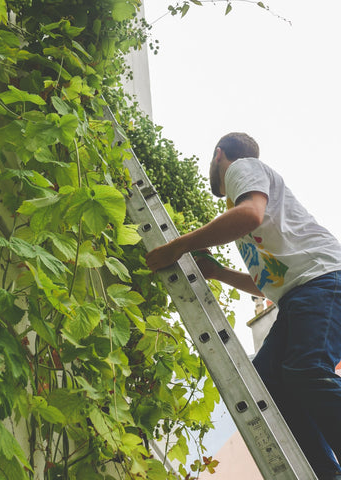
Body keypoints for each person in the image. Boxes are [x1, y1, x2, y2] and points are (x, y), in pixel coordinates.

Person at [145, 132, 341, 480]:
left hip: (322, 282)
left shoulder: (240, 169)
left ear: (219, 154)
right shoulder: (245, 203)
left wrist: (177, 247)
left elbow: (249, 215)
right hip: (301, 291)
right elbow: (269, 280)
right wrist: (218, 273)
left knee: (306, 369)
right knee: (267, 381)